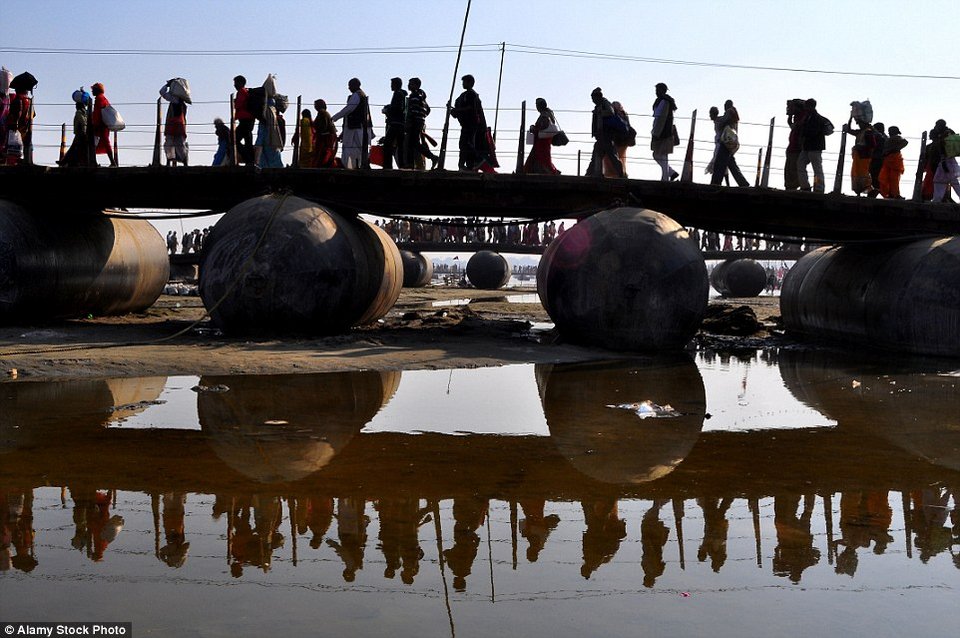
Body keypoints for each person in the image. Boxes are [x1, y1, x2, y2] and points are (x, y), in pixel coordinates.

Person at [449, 74, 493, 171]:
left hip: (471, 124)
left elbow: (471, 108)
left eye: (464, 82)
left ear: (470, 83)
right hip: (465, 124)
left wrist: (457, 110)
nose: (463, 84)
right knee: (464, 144)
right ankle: (465, 165)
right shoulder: (462, 96)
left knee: (467, 144)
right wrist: (453, 110)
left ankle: (476, 161)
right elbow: (457, 113)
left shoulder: (471, 95)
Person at [331, 77, 374, 169]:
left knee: (352, 147)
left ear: (355, 85)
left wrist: (334, 118)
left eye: (350, 85)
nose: (349, 88)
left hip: (356, 127)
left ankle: (353, 166)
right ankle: (359, 165)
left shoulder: (357, 95)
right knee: (358, 148)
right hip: (359, 127)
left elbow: (348, 109)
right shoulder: (361, 95)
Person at [709, 100, 750, 187]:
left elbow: (722, 121)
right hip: (730, 142)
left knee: (719, 163)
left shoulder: (729, 112)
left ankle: (715, 183)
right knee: (731, 163)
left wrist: (717, 119)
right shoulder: (733, 114)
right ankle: (743, 183)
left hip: (725, 142)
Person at [585, 87, 623, 177]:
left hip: (606, 134)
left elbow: (611, 112)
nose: (592, 100)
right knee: (598, 154)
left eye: (593, 98)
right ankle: (593, 173)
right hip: (601, 134)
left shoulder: (604, 103)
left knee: (610, 154)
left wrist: (599, 112)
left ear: (597, 97)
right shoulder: (600, 105)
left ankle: (619, 173)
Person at [523, 97, 560, 175]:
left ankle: (547, 172)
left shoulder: (544, 116)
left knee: (541, 157)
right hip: (544, 141)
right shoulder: (549, 114)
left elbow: (543, 127)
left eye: (537, 105)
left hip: (542, 141)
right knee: (543, 157)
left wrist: (534, 129)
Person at [844, 116, 880, 196]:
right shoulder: (861, 131)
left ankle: (869, 190)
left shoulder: (868, 131)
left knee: (863, 174)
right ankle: (859, 191)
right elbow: (849, 130)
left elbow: (872, 145)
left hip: (864, 156)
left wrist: (861, 147)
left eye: (860, 123)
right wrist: (850, 118)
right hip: (859, 156)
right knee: (856, 173)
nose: (859, 125)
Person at [797, 99, 827, 193]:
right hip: (809, 146)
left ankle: (817, 187)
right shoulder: (811, 117)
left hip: (814, 146)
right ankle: (807, 186)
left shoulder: (815, 118)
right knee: (801, 164)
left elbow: (812, 132)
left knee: (816, 168)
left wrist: (804, 135)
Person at [651, 83, 678, 181]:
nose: (656, 92)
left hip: (662, 132)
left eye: (657, 90)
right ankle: (670, 173)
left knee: (660, 155)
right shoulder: (666, 101)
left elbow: (660, 118)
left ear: (662, 90)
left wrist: (656, 132)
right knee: (662, 155)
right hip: (665, 131)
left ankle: (666, 177)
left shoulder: (664, 101)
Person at [402, 77, 431, 169]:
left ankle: (431, 157)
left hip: (414, 122)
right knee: (413, 143)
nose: (408, 85)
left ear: (416, 85)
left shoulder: (414, 96)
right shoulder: (421, 96)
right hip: (419, 121)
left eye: (410, 84)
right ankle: (411, 164)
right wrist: (422, 116)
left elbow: (413, 111)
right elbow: (428, 109)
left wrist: (410, 122)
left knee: (412, 143)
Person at [255, 75, 283, 168]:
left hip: (266, 142)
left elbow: (262, 130)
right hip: (273, 142)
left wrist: (258, 143)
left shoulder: (266, 110)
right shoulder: (273, 109)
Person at [159, 79, 188, 166]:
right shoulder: (183, 103)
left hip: (173, 124)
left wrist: (167, 85)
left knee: (170, 143)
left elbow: (162, 92)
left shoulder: (174, 99)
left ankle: (170, 160)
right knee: (179, 143)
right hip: (180, 125)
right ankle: (184, 160)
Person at [58, 88, 90, 167]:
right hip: (82, 133)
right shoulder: (85, 113)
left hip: (80, 133)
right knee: (79, 149)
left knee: (75, 148)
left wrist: (83, 132)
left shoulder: (79, 113)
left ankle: (65, 161)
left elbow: (82, 123)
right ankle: (68, 161)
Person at [930, 120, 960, 203]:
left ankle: (937, 199)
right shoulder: (950, 132)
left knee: (939, 180)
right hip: (951, 160)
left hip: (946, 160)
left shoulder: (942, 135)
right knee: (951, 181)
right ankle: (938, 199)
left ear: (939, 126)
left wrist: (943, 162)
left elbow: (942, 149)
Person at [380, 77, 406, 169]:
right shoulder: (402, 94)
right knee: (400, 145)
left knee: (388, 144)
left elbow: (398, 108)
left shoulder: (397, 94)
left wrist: (388, 110)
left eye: (392, 84)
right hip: (401, 123)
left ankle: (387, 166)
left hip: (395, 123)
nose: (391, 86)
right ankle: (402, 165)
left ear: (395, 85)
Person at [90, 83, 117, 167]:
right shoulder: (104, 98)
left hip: (100, 125)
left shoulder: (99, 99)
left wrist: (94, 123)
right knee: (102, 143)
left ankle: (112, 162)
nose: (92, 91)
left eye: (93, 89)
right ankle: (111, 162)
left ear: (97, 90)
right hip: (104, 125)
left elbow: (98, 113)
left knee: (95, 143)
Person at [604, 101, 633, 177]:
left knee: (610, 160)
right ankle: (622, 173)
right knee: (622, 158)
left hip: (615, 141)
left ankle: (613, 174)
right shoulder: (624, 116)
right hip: (623, 142)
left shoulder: (613, 116)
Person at [878, 126, 908, 199]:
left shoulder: (896, 137)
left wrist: (895, 149)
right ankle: (891, 193)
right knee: (888, 178)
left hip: (893, 160)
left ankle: (895, 194)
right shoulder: (890, 138)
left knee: (893, 179)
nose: (889, 132)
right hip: (889, 160)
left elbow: (905, 142)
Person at [233, 75, 255, 165]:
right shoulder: (246, 91)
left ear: (241, 83)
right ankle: (250, 161)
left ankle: (247, 159)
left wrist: (235, 102)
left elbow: (238, 105)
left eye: (236, 83)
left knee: (235, 140)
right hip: (250, 119)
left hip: (245, 120)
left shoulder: (241, 92)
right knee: (248, 140)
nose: (234, 85)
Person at [784, 99, 806, 189]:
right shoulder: (797, 116)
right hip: (791, 146)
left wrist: (790, 115)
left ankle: (794, 185)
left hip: (797, 147)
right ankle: (789, 185)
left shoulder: (803, 116)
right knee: (788, 168)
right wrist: (790, 116)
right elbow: (792, 125)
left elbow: (796, 126)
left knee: (794, 168)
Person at [311, 99, 339, 168]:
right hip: (328, 135)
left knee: (324, 152)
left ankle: (323, 164)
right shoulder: (324, 113)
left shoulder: (322, 113)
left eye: (316, 105)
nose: (315, 107)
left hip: (326, 136)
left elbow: (323, 126)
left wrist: (317, 130)